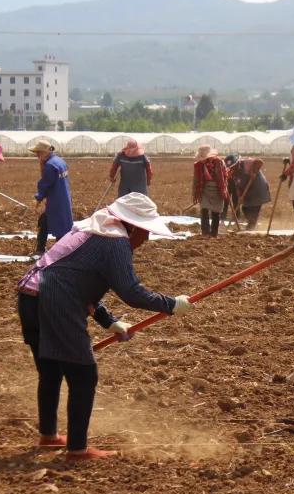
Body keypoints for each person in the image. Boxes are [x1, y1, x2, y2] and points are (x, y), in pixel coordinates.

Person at [16, 193, 194, 460]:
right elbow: (131, 292)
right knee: (84, 377)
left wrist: (109, 321)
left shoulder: (88, 231)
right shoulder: (114, 242)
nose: (146, 239)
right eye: (145, 232)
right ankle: (77, 449)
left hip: (29, 299)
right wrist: (170, 304)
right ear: (131, 225)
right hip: (56, 304)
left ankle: (49, 436)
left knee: (51, 371)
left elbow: (75, 280)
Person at [29, 140, 73, 255]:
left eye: (38, 153)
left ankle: (61, 252)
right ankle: (41, 248)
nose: (37, 156)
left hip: (55, 200)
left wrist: (38, 197)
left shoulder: (50, 165)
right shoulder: (60, 161)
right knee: (46, 222)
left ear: (43, 152)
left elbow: (45, 183)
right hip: (63, 197)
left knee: (58, 225)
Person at [227, 155, 271, 230]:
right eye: (230, 167)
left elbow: (260, 162)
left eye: (233, 166)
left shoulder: (246, 162)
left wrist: (253, 172)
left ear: (237, 163)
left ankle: (251, 226)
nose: (232, 168)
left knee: (255, 207)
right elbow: (237, 186)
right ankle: (251, 223)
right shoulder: (234, 173)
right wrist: (240, 196)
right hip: (248, 190)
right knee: (245, 208)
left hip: (258, 187)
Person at [192, 145, 227, 238]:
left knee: (216, 211)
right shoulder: (198, 165)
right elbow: (196, 179)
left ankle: (214, 233)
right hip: (204, 189)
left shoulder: (219, 162)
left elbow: (223, 175)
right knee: (204, 209)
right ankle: (205, 232)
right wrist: (195, 193)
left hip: (217, 189)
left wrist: (224, 188)